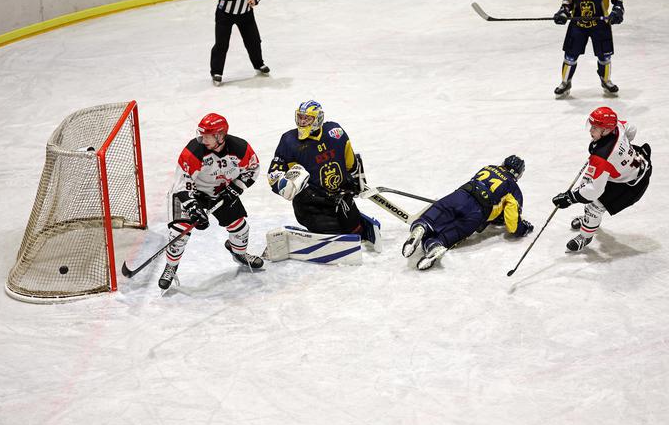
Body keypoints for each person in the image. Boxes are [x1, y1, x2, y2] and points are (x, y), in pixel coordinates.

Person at [159, 113, 263, 289]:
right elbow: (181, 185)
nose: (202, 138)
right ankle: (171, 267)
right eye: (202, 134)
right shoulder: (194, 151)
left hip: (221, 192)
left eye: (207, 135)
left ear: (220, 135)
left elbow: (253, 170)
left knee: (240, 228)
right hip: (192, 193)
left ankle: (239, 253)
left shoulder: (240, 148)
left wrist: (236, 188)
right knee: (179, 233)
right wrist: (193, 208)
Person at [267, 100, 381, 249]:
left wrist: (355, 182)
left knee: (355, 230)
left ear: (318, 118)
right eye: (300, 117)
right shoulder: (289, 141)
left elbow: (351, 163)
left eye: (307, 118)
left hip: (340, 198)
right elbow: (273, 173)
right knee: (337, 240)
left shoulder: (335, 132)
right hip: (312, 206)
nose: (302, 122)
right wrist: (284, 185)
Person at [402, 156, 534, 270]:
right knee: (450, 235)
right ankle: (434, 244)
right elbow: (513, 224)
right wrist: (523, 229)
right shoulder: (513, 188)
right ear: (518, 173)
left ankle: (422, 227)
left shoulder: (488, 168)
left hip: (460, 196)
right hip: (478, 212)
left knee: (432, 218)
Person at [552, 107, 651, 251]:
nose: (590, 131)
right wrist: (621, 152)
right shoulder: (617, 127)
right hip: (637, 164)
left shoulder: (602, 156)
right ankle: (589, 220)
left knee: (595, 205)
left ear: (606, 131)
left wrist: (569, 198)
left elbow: (594, 191)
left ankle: (586, 236)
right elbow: (632, 129)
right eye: (591, 126)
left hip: (631, 185)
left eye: (595, 128)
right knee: (585, 186)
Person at [553, 0, 625, 97]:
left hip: (601, 24)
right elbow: (568, 0)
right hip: (577, 23)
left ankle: (606, 80)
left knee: (605, 56)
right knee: (570, 56)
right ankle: (565, 82)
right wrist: (563, 12)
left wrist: (617, 10)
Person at [210, 0, 269, 85]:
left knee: (254, 40)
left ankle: (258, 64)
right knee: (221, 44)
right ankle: (216, 72)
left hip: (246, 14)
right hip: (225, 14)